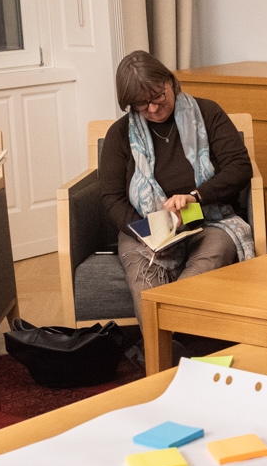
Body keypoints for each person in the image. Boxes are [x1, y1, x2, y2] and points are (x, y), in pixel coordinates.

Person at [97, 51, 257, 300]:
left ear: (169, 81)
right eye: (142, 104)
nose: (152, 108)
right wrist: (150, 232)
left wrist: (195, 197)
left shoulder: (207, 113)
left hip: (207, 219)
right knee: (144, 283)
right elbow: (112, 198)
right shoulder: (119, 134)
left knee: (203, 269)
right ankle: (166, 327)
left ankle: (173, 320)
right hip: (144, 227)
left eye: (157, 96)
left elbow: (239, 167)